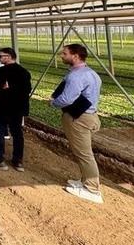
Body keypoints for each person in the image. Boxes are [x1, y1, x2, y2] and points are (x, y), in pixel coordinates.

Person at [50, 44, 103, 204]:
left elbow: (67, 99)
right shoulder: (91, 73)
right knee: (83, 152)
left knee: (85, 154)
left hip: (79, 119)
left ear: (75, 56)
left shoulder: (76, 76)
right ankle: (85, 180)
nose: (62, 56)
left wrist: (53, 103)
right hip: (90, 115)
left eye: (65, 53)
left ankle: (92, 189)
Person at [0, 48, 31, 172]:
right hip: (18, 108)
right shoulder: (25, 72)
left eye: (1, 56)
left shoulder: (2, 71)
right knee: (17, 133)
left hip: (4, 106)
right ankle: (18, 161)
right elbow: (27, 90)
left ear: (9, 57)